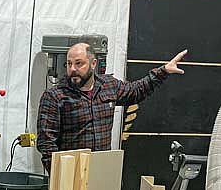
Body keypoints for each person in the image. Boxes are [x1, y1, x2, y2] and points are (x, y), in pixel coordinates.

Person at [36, 42, 187, 172]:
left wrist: (164, 71)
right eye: (69, 64)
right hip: (69, 174)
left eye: (79, 63)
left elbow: (136, 91)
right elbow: (46, 143)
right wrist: (60, 175)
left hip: (101, 171)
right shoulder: (55, 96)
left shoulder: (109, 86)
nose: (73, 69)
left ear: (93, 64)